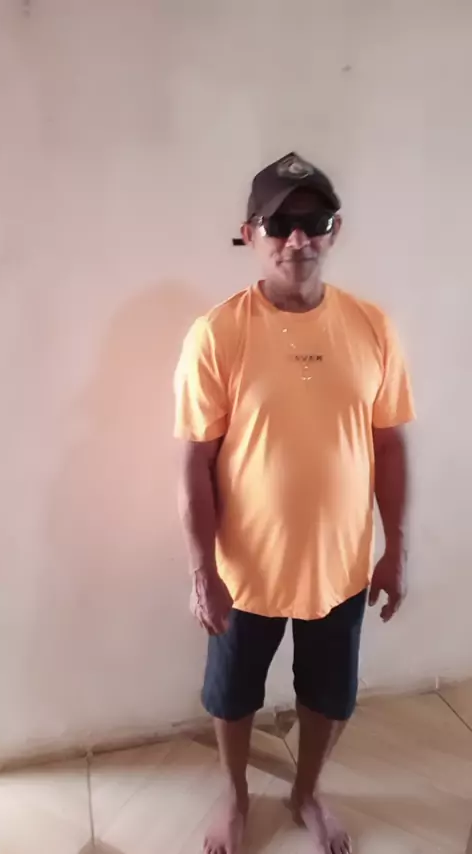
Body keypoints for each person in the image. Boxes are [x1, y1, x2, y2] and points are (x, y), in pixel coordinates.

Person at [174, 151, 415, 854]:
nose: (298, 239)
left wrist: (395, 548)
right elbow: (194, 461)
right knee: (232, 696)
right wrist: (202, 571)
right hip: (245, 571)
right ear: (250, 233)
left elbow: (390, 446)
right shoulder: (219, 333)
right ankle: (236, 795)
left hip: (340, 567)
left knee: (330, 696)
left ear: (337, 230)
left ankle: (307, 792)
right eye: (280, 224)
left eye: (315, 221)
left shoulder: (371, 327)